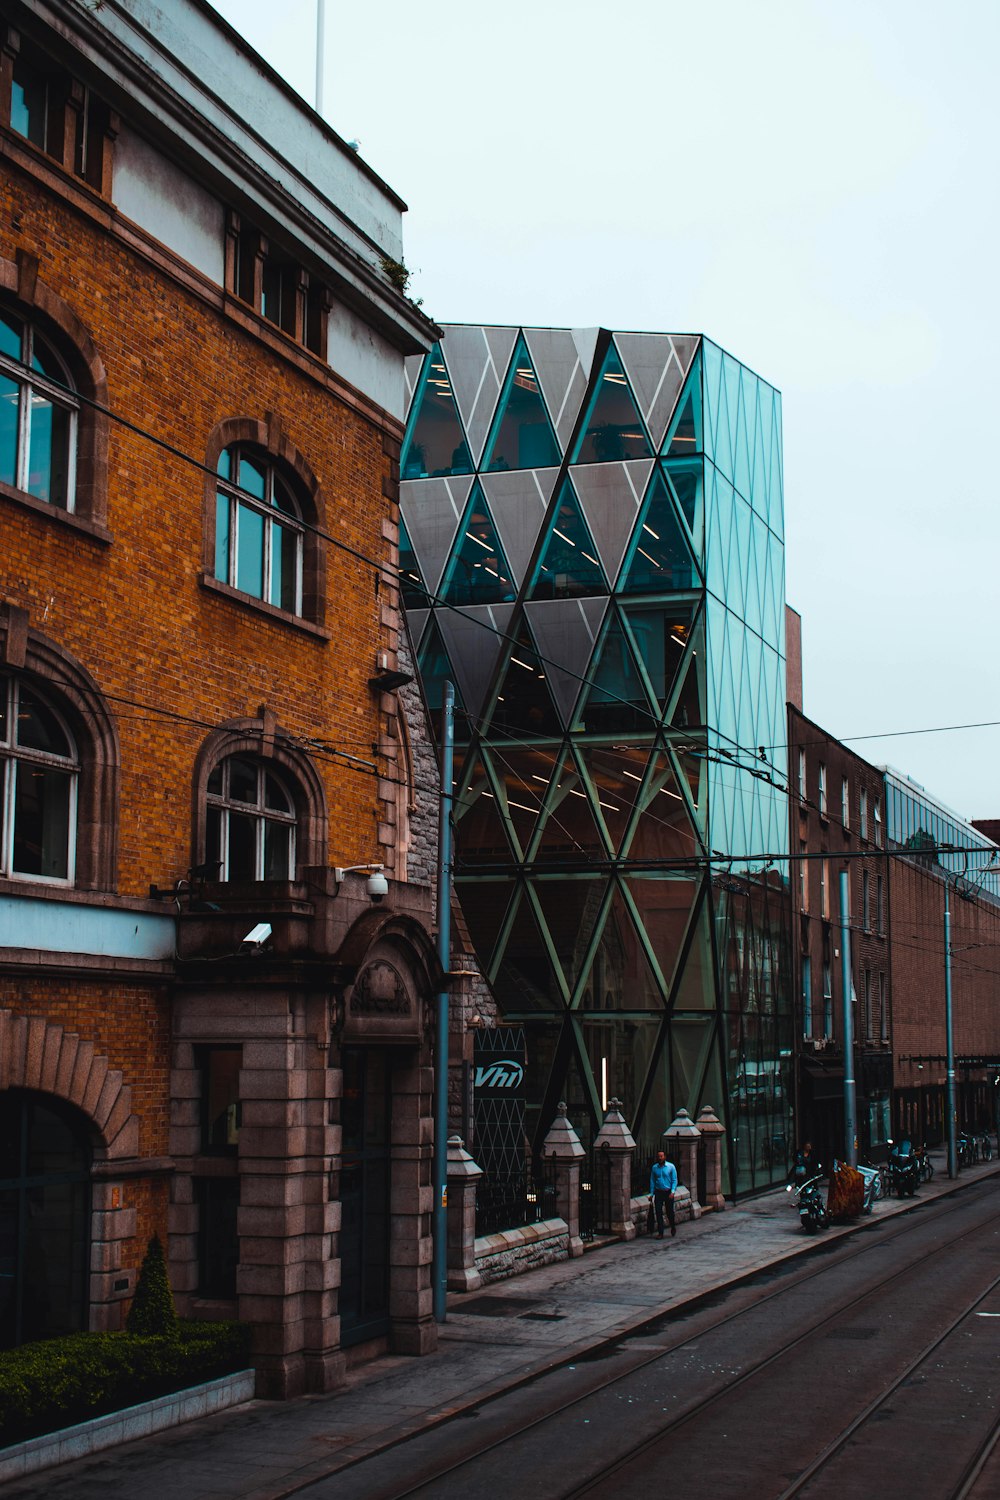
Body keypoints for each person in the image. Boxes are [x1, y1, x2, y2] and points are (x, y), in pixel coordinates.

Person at [649, 1150, 678, 1238]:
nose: (660, 1158)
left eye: (661, 1156)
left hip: (668, 1192)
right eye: (658, 1156)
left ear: (665, 1157)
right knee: (658, 1212)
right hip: (658, 1192)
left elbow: (674, 1180)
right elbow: (652, 1181)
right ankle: (660, 1232)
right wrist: (651, 1194)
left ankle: (673, 1226)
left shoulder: (671, 1167)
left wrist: (673, 1191)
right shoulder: (654, 1168)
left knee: (669, 1212)